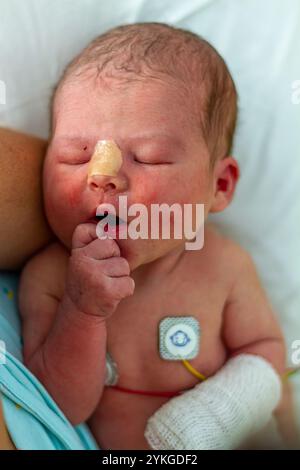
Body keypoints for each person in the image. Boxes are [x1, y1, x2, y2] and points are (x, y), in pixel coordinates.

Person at [16, 23, 294, 450]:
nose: (102, 176)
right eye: (77, 155)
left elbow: (265, 352)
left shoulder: (223, 267)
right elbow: (62, 409)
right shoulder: (51, 277)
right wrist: (82, 311)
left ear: (218, 186)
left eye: (148, 157)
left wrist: (208, 421)